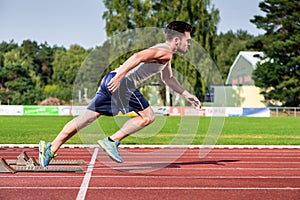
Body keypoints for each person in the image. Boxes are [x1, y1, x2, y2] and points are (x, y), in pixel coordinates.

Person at [39, 21, 201, 167]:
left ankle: (50, 148)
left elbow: (168, 78)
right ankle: (112, 141)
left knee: (86, 119)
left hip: (112, 79)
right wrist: (119, 77)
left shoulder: (166, 55)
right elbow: (137, 56)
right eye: (188, 41)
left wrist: (187, 95)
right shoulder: (164, 51)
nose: (189, 44)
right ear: (177, 40)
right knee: (148, 117)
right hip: (122, 83)